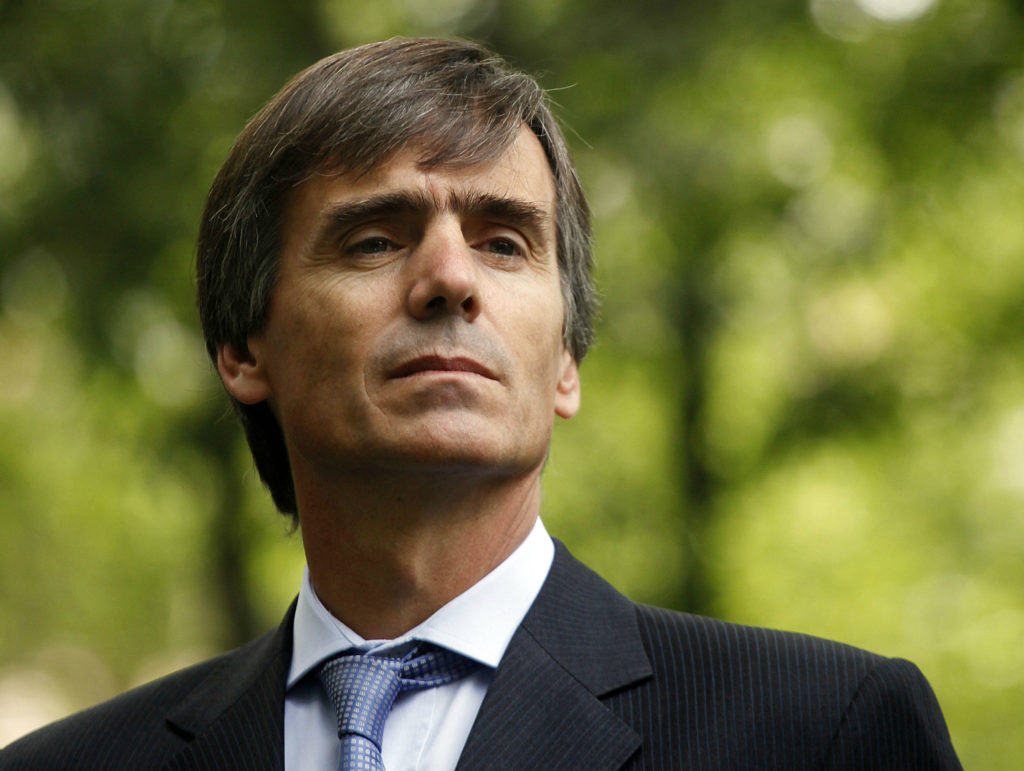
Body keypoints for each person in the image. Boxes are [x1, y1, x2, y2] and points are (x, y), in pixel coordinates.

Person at [0, 37, 961, 770]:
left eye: (504, 243)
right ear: (244, 348)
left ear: (566, 363)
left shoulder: (822, 730)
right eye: (375, 240)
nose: (451, 279)